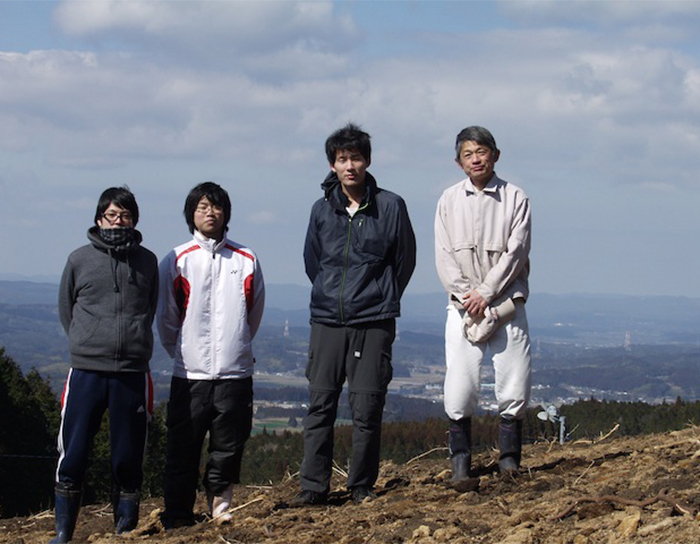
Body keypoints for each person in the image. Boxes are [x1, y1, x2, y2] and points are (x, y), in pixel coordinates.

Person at [294, 123, 416, 505]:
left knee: (366, 407)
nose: (350, 166)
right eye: (342, 159)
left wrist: (377, 296)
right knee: (320, 406)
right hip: (327, 320)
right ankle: (313, 488)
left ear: (368, 161)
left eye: (356, 158)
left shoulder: (390, 205)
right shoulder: (320, 209)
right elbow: (312, 261)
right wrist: (333, 294)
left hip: (373, 320)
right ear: (332, 164)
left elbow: (404, 261)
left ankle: (360, 486)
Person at [53, 186, 158, 543]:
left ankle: (124, 532)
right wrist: (87, 342)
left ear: (135, 219)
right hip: (86, 370)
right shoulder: (78, 259)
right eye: (112, 215)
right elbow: (67, 309)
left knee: (127, 458)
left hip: (131, 372)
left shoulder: (147, 261)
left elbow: (150, 308)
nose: (118, 221)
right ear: (99, 219)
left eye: (125, 215)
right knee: (74, 453)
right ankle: (63, 533)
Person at [157, 182, 265, 528]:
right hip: (190, 374)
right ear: (191, 213)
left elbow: (253, 312)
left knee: (228, 446)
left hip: (235, 373)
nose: (210, 212)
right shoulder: (177, 259)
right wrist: (185, 353)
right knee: (182, 447)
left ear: (226, 213)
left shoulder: (246, 259)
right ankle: (176, 512)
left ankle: (220, 507)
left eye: (216, 206)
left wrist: (237, 346)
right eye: (202, 206)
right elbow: (167, 318)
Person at [434, 126, 532, 481]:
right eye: (467, 154)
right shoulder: (448, 200)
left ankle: (509, 460)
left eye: (481, 151)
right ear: (459, 162)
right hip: (462, 307)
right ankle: (460, 463)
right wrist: (466, 295)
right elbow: (444, 256)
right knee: (460, 384)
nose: (476, 159)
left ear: (495, 154)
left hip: (506, 302)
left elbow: (516, 251)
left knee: (514, 381)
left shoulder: (516, 198)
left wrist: (486, 292)